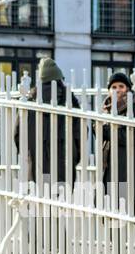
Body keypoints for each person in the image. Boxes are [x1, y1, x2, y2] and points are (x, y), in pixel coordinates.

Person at [13, 57, 85, 188]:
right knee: (62, 203)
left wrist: (28, 156)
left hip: (35, 164)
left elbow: (18, 136)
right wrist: (74, 157)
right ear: (59, 78)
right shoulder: (69, 101)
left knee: (37, 203)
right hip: (64, 165)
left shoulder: (29, 102)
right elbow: (80, 134)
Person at [99, 71, 135, 210]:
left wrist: (109, 131)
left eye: (121, 86)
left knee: (126, 206)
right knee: (110, 206)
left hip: (127, 165)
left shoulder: (134, 108)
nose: (117, 89)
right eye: (113, 87)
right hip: (111, 165)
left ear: (128, 89)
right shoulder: (108, 108)